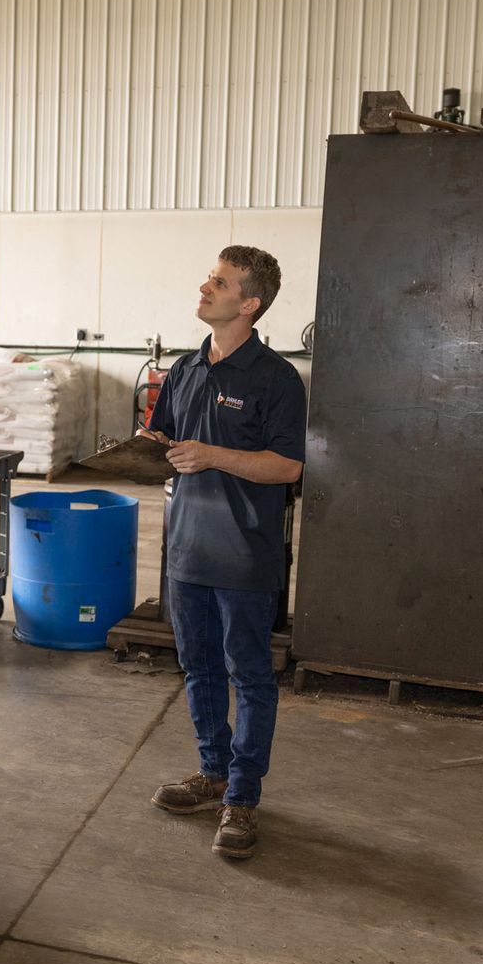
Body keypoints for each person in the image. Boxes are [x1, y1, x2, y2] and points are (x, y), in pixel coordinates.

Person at [140, 245, 306, 860]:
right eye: (210, 277)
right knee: (200, 669)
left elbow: (287, 465)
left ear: (250, 303)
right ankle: (212, 772)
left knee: (251, 676)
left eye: (220, 282)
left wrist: (212, 454)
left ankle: (242, 795)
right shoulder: (185, 369)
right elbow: (163, 436)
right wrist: (144, 447)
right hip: (186, 551)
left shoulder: (277, 379)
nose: (206, 287)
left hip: (244, 559)